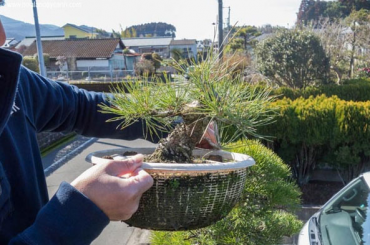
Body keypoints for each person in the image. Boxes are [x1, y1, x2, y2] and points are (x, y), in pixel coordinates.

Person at [0, 4, 219, 243]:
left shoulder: (11, 80)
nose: (2, 35)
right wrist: (81, 208)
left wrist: (173, 122)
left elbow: (82, 108)